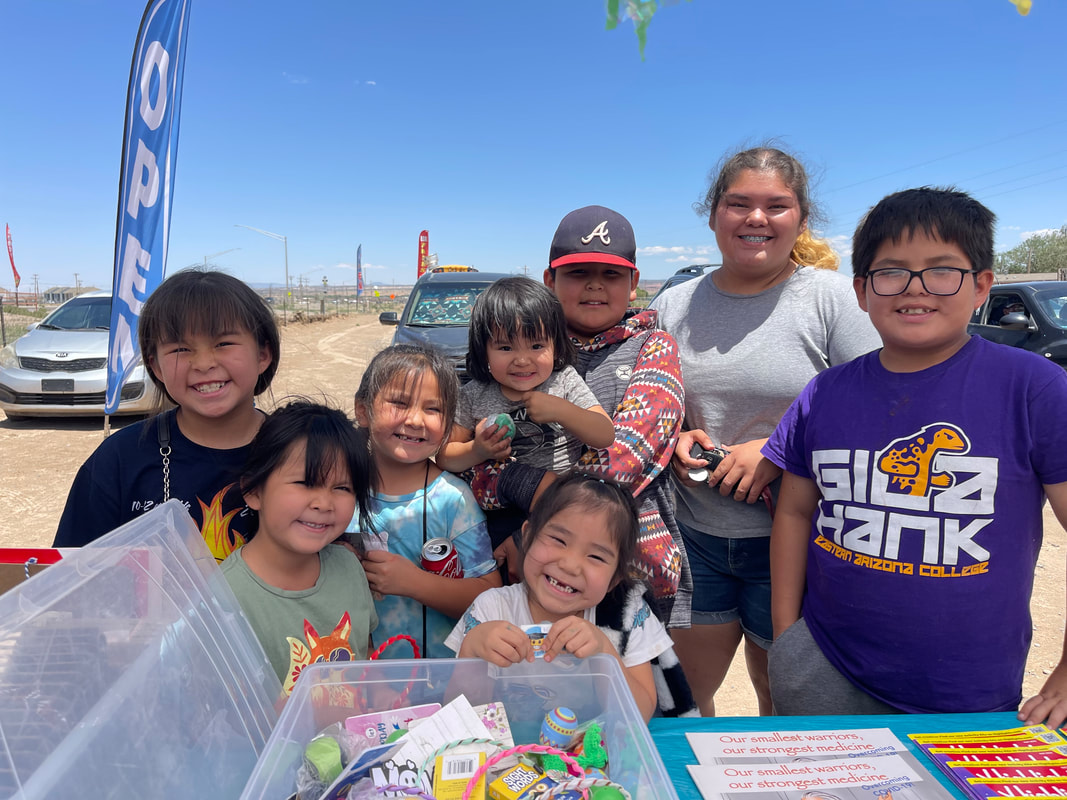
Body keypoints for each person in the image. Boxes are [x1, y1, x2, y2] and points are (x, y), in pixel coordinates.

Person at [764, 187, 1067, 725]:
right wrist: (788, 636)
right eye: (892, 271)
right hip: (824, 666)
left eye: (942, 270)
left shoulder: (1034, 388)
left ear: (981, 286)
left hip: (966, 685)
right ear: (861, 290)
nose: (916, 288)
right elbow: (793, 512)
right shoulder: (824, 392)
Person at [650, 146, 881, 716]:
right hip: (694, 536)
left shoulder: (829, 301)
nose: (756, 218)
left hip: (800, 544)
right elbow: (653, 398)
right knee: (682, 705)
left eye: (776, 206)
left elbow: (880, 408)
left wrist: (780, 449)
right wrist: (676, 434)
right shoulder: (674, 304)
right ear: (713, 215)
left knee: (781, 703)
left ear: (801, 218)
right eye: (739, 204)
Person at [462, 205, 691, 631]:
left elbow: (622, 459)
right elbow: (457, 451)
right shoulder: (516, 349)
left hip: (624, 567)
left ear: (634, 283)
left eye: (610, 274)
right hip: (508, 554)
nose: (593, 286)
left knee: (630, 690)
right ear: (550, 281)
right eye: (577, 272)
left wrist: (510, 485)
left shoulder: (653, 349)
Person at [54, 268, 280, 558]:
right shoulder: (119, 460)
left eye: (223, 344)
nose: (203, 363)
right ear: (156, 367)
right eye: (180, 349)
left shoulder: (301, 451)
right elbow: (70, 574)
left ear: (263, 354)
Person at [445, 471, 675, 722]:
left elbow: (638, 715)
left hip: (589, 757)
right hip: (508, 755)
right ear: (528, 536)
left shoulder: (626, 616)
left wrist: (604, 652)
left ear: (614, 580)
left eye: (596, 557)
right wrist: (473, 649)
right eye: (558, 540)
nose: (570, 565)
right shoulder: (491, 609)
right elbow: (457, 717)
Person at [347, 344, 501, 658]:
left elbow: (489, 595)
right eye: (399, 403)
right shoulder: (339, 491)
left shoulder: (453, 500)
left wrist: (414, 582)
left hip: (441, 683)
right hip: (362, 681)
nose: (416, 420)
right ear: (362, 409)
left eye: (433, 409)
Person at [220, 400, 377, 697]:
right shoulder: (224, 598)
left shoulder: (348, 567)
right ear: (254, 490)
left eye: (342, 488)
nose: (323, 503)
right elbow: (226, 713)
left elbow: (364, 653)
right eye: (305, 483)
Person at [437, 277, 614, 497]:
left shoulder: (564, 381)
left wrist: (562, 410)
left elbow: (605, 434)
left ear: (556, 347)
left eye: (536, 346)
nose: (522, 360)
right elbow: (444, 456)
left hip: (561, 499)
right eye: (505, 347)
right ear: (484, 351)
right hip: (501, 503)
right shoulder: (474, 393)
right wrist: (477, 450)